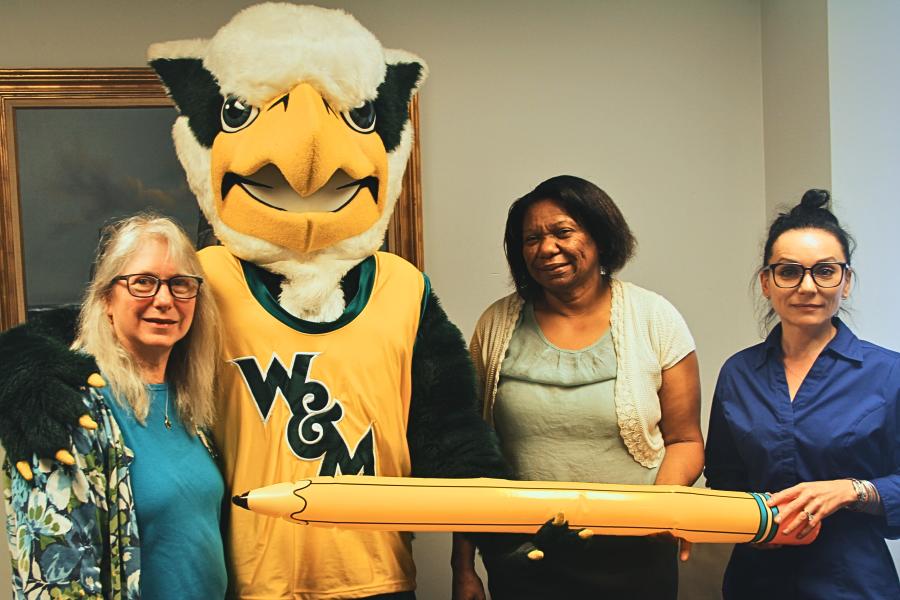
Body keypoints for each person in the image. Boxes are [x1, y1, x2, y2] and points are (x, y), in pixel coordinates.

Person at [451, 175, 704, 599]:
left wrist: (664, 509)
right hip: (523, 554)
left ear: (600, 237)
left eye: (562, 231)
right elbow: (473, 455)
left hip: (635, 555)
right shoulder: (495, 324)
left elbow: (685, 440)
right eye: (531, 238)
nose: (547, 248)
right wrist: (462, 566)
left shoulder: (655, 318)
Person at [2, 214, 227, 599]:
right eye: (142, 282)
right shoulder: (73, 407)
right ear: (106, 298)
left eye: (180, 284)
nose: (164, 299)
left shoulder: (191, 404)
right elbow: (55, 580)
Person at [705, 189, 900, 598]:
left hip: (852, 583)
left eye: (825, 271)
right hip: (756, 580)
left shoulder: (889, 373)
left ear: (845, 282)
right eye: (789, 271)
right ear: (766, 282)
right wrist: (752, 524)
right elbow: (724, 482)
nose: (807, 286)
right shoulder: (739, 373)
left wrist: (853, 489)